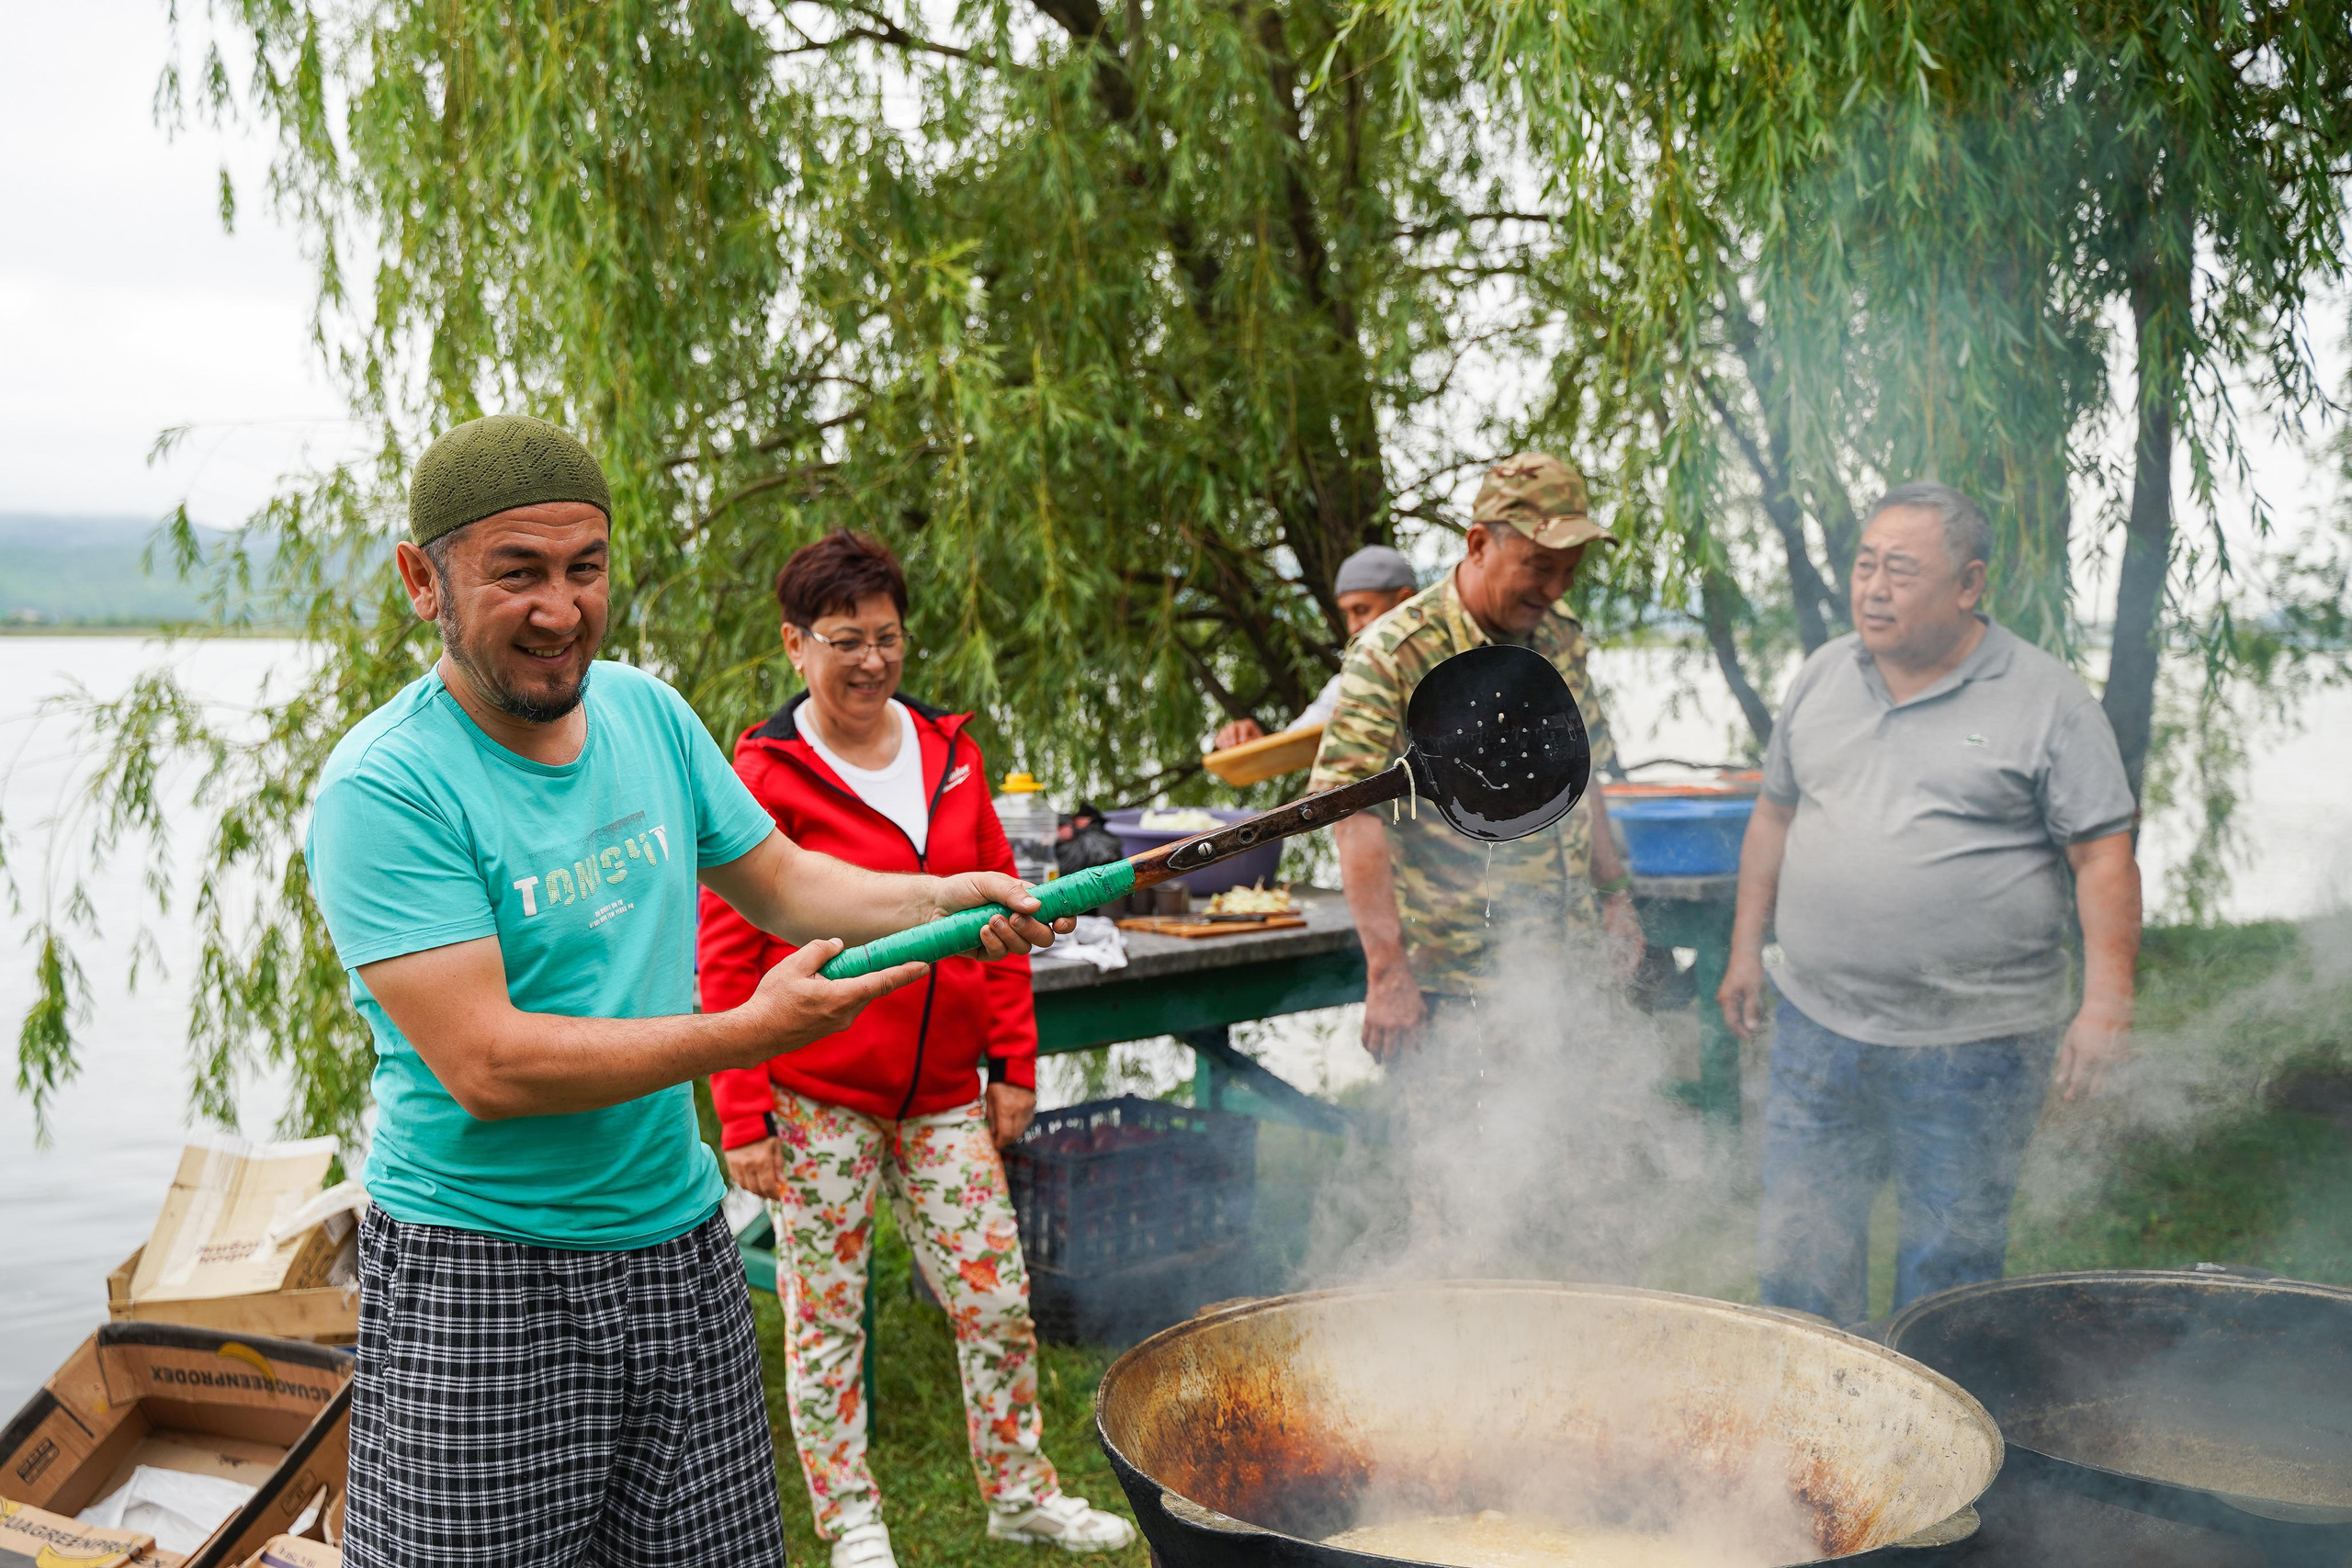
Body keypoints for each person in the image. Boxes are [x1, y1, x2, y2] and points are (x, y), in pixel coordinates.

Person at [304, 416, 1069, 1568]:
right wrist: (747, 1035)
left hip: (676, 1242)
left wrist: (942, 896)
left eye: (585, 568)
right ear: (424, 580)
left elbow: (785, 883)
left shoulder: (646, 714)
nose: (560, 609)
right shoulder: (387, 785)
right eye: (517, 573)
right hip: (482, 1268)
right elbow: (489, 1065)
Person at [699, 531, 1135, 1568]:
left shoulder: (950, 752)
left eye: (887, 637)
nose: (871, 661)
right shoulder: (762, 772)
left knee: (995, 1299)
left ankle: (1020, 1493)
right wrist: (744, 1114)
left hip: (943, 1095)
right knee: (825, 1321)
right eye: (844, 640)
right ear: (794, 644)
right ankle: (852, 1521)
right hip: (817, 1096)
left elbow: (1008, 916)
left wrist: (1013, 1065)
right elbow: (726, 954)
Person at [1716, 481, 2143, 1326]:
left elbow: (2103, 856)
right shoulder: (1822, 674)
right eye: (1865, 565)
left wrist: (2106, 1004)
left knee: (1949, 1273)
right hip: (1818, 1022)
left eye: (1901, 571)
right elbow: (1775, 815)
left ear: (1969, 584)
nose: (1873, 589)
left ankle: (1932, 1412)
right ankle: (1809, 1413)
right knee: (1801, 1257)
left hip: (1975, 1042)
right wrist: (1743, 951)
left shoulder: (2047, 698)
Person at [1310, 453, 1643, 1060]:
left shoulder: (1559, 635)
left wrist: (1615, 895)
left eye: (1569, 570)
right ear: (1479, 544)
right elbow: (1350, 810)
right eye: (1539, 566)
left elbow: (1584, 772)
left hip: (1571, 968)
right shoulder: (1395, 652)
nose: (1555, 589)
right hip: (1454, 986)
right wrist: (1387, 973)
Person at [1211, 544, 1419, 750]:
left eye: (1361, 610)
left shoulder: (1440, 665)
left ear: (1405, 601)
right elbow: (1295, 742)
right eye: (1347, 614)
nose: (1353, 626)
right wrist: (1255, 745)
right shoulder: (1346, 687)